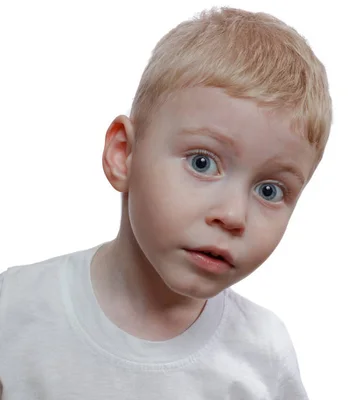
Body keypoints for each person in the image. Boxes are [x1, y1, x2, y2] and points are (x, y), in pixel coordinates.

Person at [0, 7, 332, 399]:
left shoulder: (263, 356)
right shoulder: (14, 308)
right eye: (202, 162)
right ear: (124, 154)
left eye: (270, 190)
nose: (232, 215)